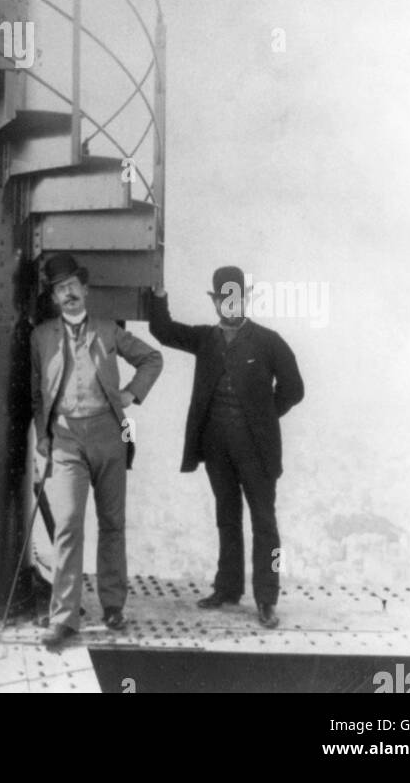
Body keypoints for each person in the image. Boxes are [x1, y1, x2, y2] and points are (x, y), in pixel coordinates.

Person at [147, 265, 305, 629]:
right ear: (216, 301)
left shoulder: (269, 341)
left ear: (245, 300)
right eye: (223, 297)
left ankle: (267, 598)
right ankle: (227, 588)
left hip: (257, 451)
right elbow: (163, 331)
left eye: (236, 297)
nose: (230, 304)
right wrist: (158, 298)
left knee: (266, 524)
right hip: (216, 447)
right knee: (227, 518)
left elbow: (294, 388)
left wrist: (263, 417)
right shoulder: (205, 339)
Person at [30, 252, 163, 650]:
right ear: (53, 298)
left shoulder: (108, 330)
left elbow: (152, 359)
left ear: (85, 289)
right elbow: (37, 392)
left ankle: (113, 606)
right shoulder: (40, 337)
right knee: (69, 524)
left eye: (73, 285)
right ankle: (65, 618)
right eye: (59, 289)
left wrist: (130, 394)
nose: (68, 294)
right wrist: (43, 434)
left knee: (112, 522)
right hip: (66, 440)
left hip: (108, 435)